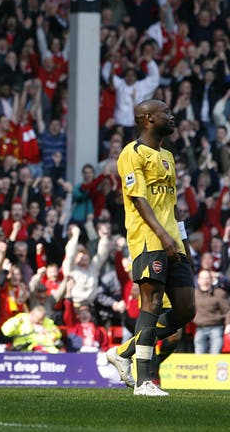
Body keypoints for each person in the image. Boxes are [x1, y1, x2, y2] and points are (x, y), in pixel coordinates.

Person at [107, 99, 196, 397]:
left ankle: (123, 352)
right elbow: (138, 199)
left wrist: (183, 243)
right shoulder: (132, 153)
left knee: (185, 310)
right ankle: (144, 381)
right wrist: (162, 235)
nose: (171, 117)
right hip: (148, 238)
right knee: (152, 304)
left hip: (173, 242)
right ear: (147, 119)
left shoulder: (168, 156)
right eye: (165, 114)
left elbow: (173, 206)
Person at [193, 269, 230, 354]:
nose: (205, 281)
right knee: (199, 355)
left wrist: (228, 325)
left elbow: (227, 311)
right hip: (200, 329)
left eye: (207, 278)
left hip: (216, 328)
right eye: (202, 278)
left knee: (215, 354)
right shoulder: (194, 294)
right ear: (198, 280)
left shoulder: (219, 293)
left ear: (211, 280)